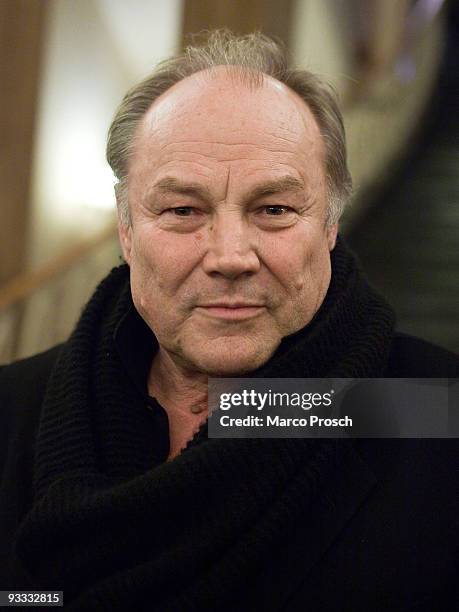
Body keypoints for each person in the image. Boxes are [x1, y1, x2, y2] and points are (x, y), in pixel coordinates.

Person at [0, 30, 457, 611]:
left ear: (330, 225)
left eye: (274, 209)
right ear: (126, 229)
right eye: (183, 210)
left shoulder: (437, 418)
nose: (230, 257)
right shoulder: (12, 410)